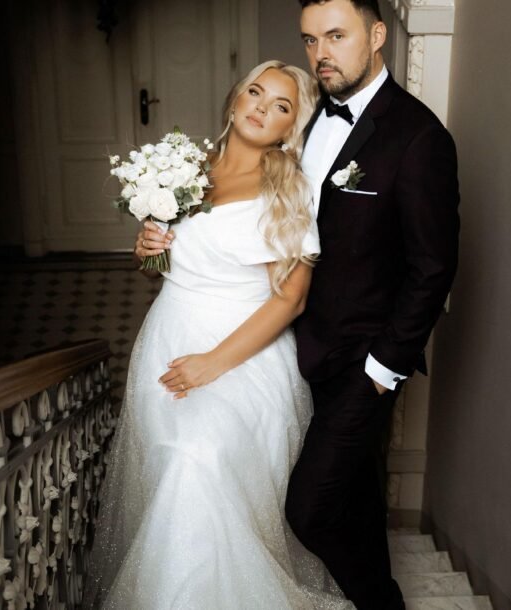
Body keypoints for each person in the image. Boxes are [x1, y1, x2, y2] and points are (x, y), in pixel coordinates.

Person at [83, 61, 355, 609]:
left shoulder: (290, 191)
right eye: (255, 92)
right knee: (168, 476)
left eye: (281, 105)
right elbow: (171, 267)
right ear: (235, 99)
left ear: (290, 126)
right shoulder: (185, 168)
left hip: (242, 356)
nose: (261, 108)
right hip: (167, 340)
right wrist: (149, 251)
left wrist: (213, 363)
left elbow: (292, 298)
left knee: (197, 461)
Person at [284, 1, 461, 609]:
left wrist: (382, 369)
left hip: (364, 360)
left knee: (308, 509)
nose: (321, 54)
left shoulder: (418, 137)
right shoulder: (307, 116)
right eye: (310, 40)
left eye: (337, 36)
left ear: (378, 35)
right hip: (298, 346)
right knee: (356, 498)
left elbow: (432, 268)